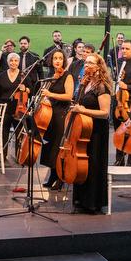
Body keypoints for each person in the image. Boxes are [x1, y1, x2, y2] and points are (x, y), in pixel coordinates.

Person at [70, 53, 112, 214]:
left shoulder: (102, 86)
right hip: (83, 130)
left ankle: (93, 202)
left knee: (93, 165)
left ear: (98, 67)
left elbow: (105, 113)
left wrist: (83, 110)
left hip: (96, 132)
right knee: (82, 165)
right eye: (85, 63)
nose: (86, 65)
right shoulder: (86, 83)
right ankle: (81, 199)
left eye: (90, 63)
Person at [40, 49, 73, 190]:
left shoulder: (67, 76)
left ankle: (60, 177)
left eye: (60, 58)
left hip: (61, 114)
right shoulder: (51, 75)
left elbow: (69, 96)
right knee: (50, 146)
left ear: (64, 61)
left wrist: (50, 94)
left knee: (57, 147)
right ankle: (53, 175)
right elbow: (45, 94)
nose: (57, 61)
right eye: (55, 58)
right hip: (49, 114)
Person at [0, 53, 31, 161]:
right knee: (3, 133)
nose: (13, 63)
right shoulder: (1, 75)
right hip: (5, 108)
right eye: (11, 61)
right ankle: (2, 155)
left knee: (19, 133)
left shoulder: (23, 76)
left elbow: (31, 90)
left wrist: (25, 89)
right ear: (8, 62)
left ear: (19, 63)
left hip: (19, 109)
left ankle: (19, 156)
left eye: (15, 61)